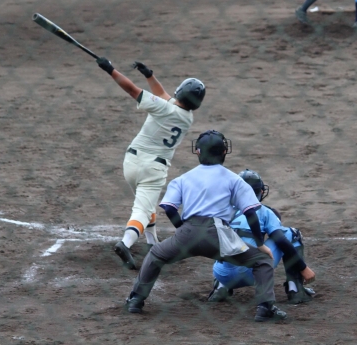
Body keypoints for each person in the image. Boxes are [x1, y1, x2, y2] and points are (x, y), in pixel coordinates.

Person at [124, 130, 312, 322]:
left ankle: (136, 300)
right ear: (224, 152)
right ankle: (265, 308)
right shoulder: (234, 179)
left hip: (187, 231)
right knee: (262, 261)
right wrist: (260, 244)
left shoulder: (183, 178)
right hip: (219, 235)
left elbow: (169, 208)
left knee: (155, 255)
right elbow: (251, 213)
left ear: (198, 152)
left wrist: (181, 228)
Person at [95, 56, 205, 270]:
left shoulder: (164, 108)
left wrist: (111, 70)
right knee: (143, 210)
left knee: (146, 203)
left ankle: (152, 241)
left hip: (131, 162)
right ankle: (126, 242)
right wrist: (150, 75)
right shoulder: (186, 117)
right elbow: (163, 96)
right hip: (153, 169)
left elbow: (132, 90)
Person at [207, 169, 316, 304]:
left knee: (223, 236)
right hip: (253, 272)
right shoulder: (265, 211)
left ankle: (220, 287)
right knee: (291, 234)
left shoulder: (222, 210)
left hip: (221, 273)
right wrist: (303, 268)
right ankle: (296, 289)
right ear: (261, 192)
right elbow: (280, 240)